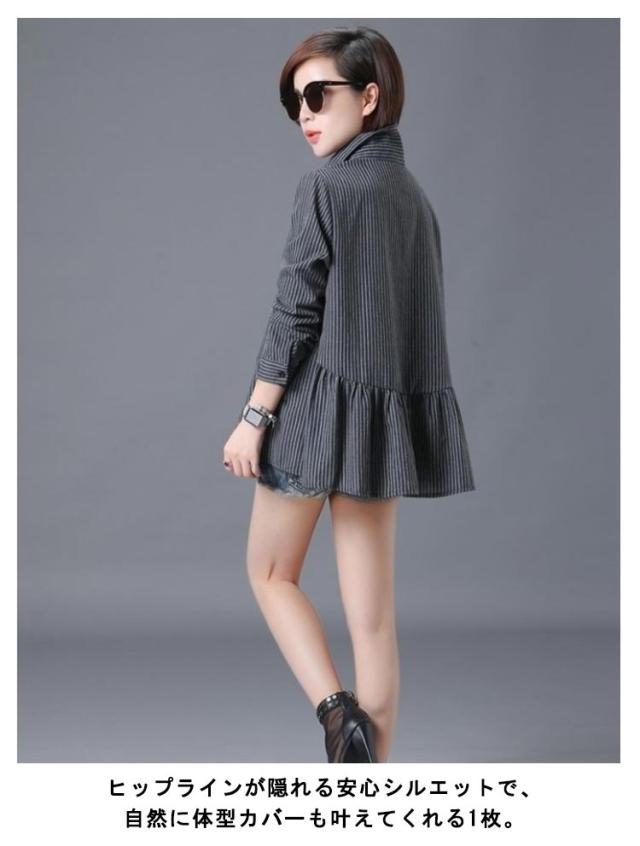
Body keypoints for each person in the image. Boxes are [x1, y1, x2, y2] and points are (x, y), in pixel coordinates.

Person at [222, 26, 476, 763]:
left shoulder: (326, 186)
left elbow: (295, 311)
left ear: (369, 97)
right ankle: (367, 795)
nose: (303, 114)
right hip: (378, 429)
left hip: (311, 419)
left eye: (317, 95)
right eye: (292, 102)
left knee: (271, 574)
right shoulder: (413, 198)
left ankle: (336, 713)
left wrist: (253, 417)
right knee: (373, 621)